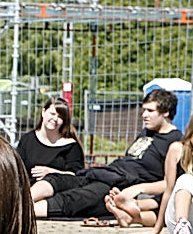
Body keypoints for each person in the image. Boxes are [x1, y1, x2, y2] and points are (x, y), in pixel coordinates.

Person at [34, 89, 180, 219]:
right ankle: (17, 204)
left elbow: (169, 183)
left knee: (75, 199)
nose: (144, 115)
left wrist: (136, 189)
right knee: (57, 180)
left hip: (122, 185)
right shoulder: (147, 132)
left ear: (165, 112)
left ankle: (22, 213)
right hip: (108, 173)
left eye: (150, 111)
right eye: (144, 110)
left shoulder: (175, 142)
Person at [16, 97, 83, 182]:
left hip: (58, 192)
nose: (55, 119)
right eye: (52, 114)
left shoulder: (70, 146)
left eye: (60, 117)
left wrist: (50, 172)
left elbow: (76, 175)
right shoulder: (27, 140)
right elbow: (17, 169)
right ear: (43, 112)